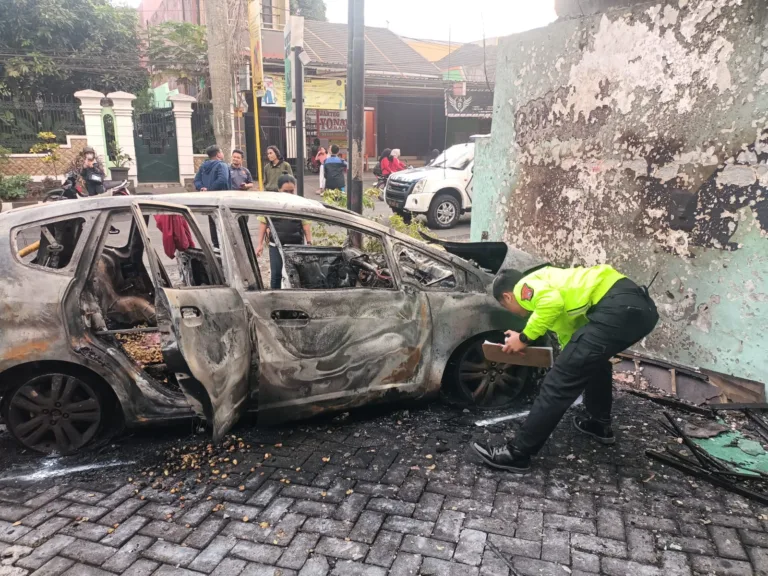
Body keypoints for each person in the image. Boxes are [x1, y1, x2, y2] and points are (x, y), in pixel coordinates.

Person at [472, 264, 659, 473]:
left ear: (507, 297)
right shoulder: (552, 286)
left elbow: (551, 303)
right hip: (641, 309)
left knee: (557, 383)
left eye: (507, 308)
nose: (514, 313)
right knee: (595, 363)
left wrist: (524, 337)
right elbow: (572, 338)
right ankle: (598, 423)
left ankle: (517, 453)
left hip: (617, 308)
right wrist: (554, 357)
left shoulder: (523, 287)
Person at [255, 175, 312, 289]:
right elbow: (263, 223)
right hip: (275, 245)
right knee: (276, 275)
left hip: (296, 246)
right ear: (279, 189)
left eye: (291, 191)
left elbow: (306, 225)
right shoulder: (270, 204)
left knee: (295, 274)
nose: (289, 194)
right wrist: (259, 244)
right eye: (286, 191)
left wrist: (309, 243)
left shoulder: (299, 203)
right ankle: (274, 298)